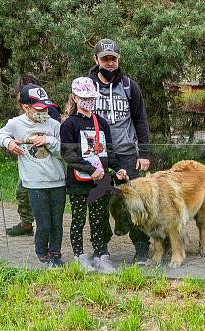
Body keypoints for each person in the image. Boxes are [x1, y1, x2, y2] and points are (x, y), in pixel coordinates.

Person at [89, 39, 152, 264]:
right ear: (96, 60)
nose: (109, 63)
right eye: (105, 58)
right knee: (99, 203)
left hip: (127, 154)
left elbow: (140, 120)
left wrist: (143, 153)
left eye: (113, 58)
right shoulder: (87, 86)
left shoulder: (128, 86)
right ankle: (100, 249)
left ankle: (142, 248)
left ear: (118, 60)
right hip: (98, 156)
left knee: (135, 203)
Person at [60, 77, 127, 273]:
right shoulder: (69, 124)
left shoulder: (102, 123)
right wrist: (91, 171)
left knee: (99, 220)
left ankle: (101, 254)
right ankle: (79, 255)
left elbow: (109, 152)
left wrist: (118, 169)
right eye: (84, 97)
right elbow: (68, 154)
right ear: (74, 97)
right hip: (78, 183)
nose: (88, 101)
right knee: (79, 220)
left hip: (101, 183)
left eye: (91, 97)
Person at [0, 84, 66, 266]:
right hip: (34, 183)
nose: (44, 111)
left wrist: (49, 140)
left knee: (57, 223)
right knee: (44, 223)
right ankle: (41, 252)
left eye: (46, 107)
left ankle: (55, 252)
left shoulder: (54, 125)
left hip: (57, 181)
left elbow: (65, 152)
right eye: (39, 108)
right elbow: (0, 134)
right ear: (26, 107)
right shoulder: (16, 123)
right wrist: (8, 142)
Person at [6, 74, 62, 237]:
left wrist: (49, 140)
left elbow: (59, 140)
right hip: (30, 164)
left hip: (48, 167)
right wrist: (10, 142)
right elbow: (6, 133)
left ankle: (41, 227)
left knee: (39, 200)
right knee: (22, 191)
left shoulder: (48, 111)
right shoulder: (21, 116)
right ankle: (26, 223)